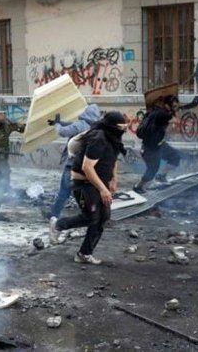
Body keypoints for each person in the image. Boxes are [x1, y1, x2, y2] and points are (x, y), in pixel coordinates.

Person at [49, 111, 128, 265]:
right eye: (122, 127)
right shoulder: (99, 138)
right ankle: (58, 225)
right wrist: (103, 189)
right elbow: (87, 167)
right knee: (91, 217)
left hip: (100, 182)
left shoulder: (113, 137)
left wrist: (113, 179)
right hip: (84, 183)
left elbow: (113, 159)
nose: (124, 129)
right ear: (112, 126)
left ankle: (84, 254)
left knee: (103, 217)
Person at [47, 104, 101, 219]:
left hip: (72, 165)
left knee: (64, 191)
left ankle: (54, 214)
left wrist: (57, 124)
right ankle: (90, 213)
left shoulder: (80, 125)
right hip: (87, 165)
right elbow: (72, 125)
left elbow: (62, 132)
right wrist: (61, 121)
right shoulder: (97, 129)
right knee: (82, 191)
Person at [133, 95, 180, 193]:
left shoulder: (153, 111)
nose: (176, 108)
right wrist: (174, 118)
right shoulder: (164, 114)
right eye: (174, 106)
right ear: (167, 105)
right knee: (152, 169)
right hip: (151, 147)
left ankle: (161, 176)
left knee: (175, 156)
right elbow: (171, 129)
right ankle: (139, 186)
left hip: (158, 144)